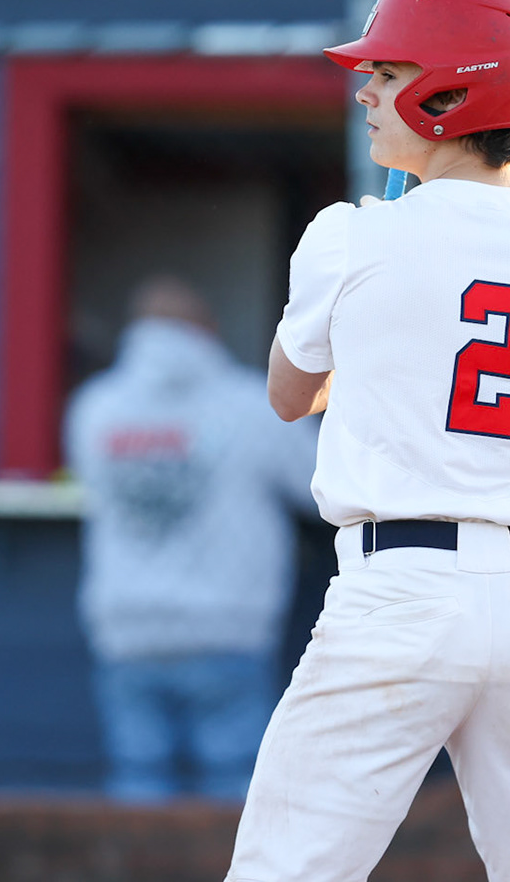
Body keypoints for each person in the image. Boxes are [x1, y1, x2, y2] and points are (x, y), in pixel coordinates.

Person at [225, 0, 510, 882]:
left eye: (389, 70)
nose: (366, 90)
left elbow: (293, 395)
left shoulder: (349, 234)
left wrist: (370, 309)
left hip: (399, 591)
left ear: (450, 93)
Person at [66, 275, 320, 801]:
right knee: (237, 798)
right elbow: (320, 488)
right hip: (225, 629)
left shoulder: (93, 409)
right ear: (206, 331)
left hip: (125, 631)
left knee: (139, 789)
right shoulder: (251, 405)